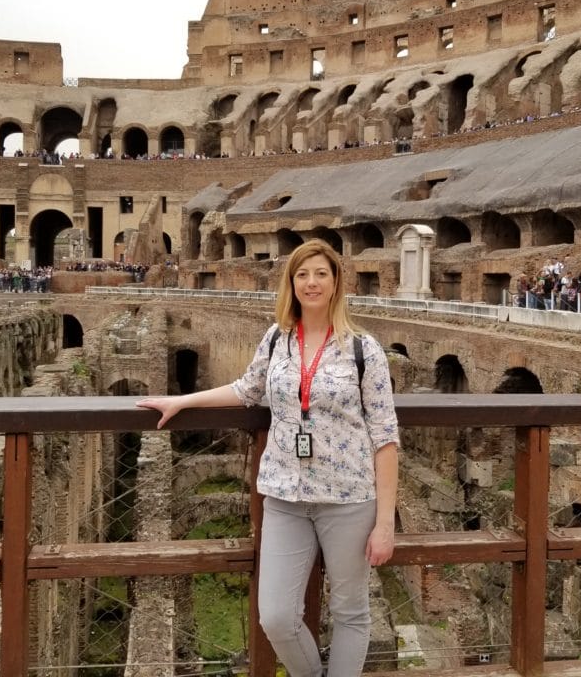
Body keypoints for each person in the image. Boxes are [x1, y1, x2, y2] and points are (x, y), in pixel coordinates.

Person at [136, 239, 399, 677]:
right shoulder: (278, 339)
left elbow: (385, 436)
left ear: (336, 282)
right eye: (302, 274)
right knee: (275, 616)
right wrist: (182, 401)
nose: (311, 283)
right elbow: (246, 389)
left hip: (349, 497)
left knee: (351, 612)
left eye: (320, 273)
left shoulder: (363, 349)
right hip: (283, 495)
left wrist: (385, 524)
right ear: (291, 283)